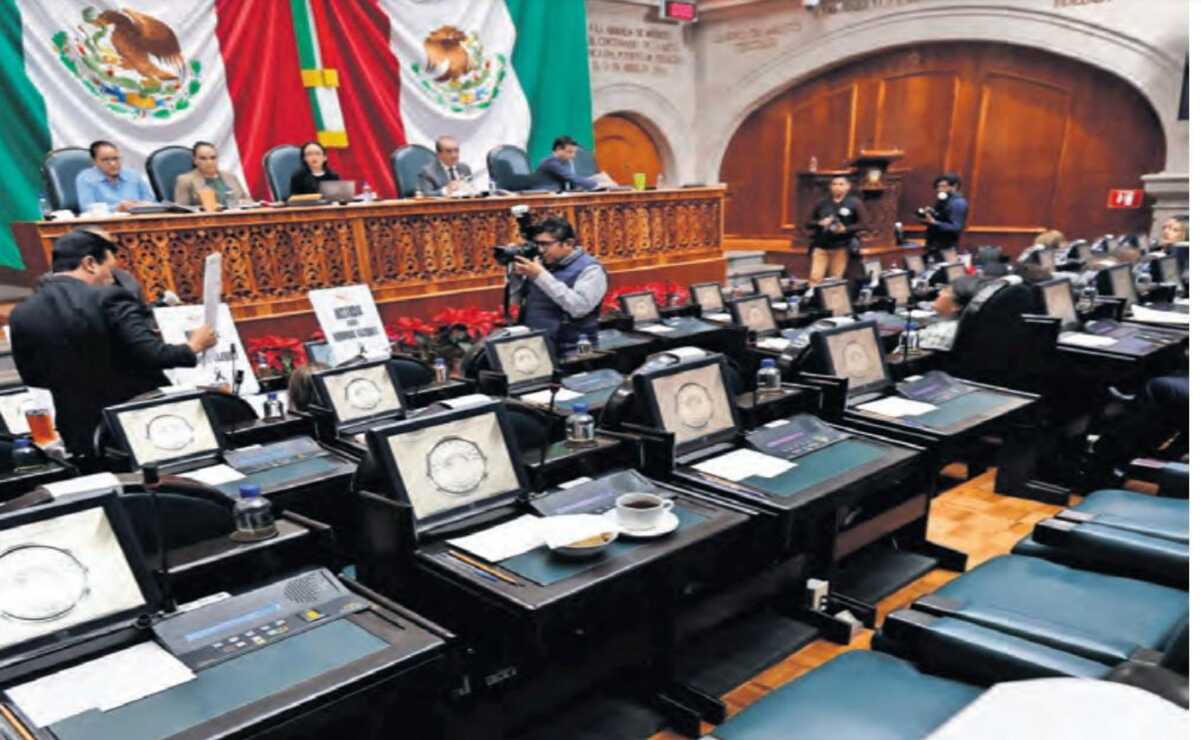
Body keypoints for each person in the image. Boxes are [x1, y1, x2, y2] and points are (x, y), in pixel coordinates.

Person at [9, 229, 217, 461]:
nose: (110, 278)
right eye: (109, 270)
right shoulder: (109, 297)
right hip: (138, 424)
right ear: (90, 263)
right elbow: (152, 354)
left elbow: (33, 377)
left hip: (80, 430)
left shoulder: (21, 313)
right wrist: (193, 346)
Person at [511, 217, 608, 355]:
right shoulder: (539, 264)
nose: (539, 250)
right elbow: (515, 301)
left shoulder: (591, 269)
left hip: (577, 348)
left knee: (582, 372)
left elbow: (579, 308)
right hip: (538, 344)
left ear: (568, 243)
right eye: (536, 244)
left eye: (545, 244)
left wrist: (540, 276)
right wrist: (515, 274)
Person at [807, 175, 866, 282]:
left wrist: (846, 229)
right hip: (821, 246)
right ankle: (813, 297)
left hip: (841, 247)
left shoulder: (854, 203)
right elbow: (808, 222)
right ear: (830, 187)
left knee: (835, 280)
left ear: (848, 187)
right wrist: (820, 223)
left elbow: (864, 224)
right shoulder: (822, 202)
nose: (837, 187)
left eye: (841, 184)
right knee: (815, 277)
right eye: (834, 184)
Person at [75, 140, 155, 213]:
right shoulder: (86, 178)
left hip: (138, 221)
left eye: (115, 159)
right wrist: (117, 208)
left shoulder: (133, 175)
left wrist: (142, 205)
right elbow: (87, 209)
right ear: (94, 161)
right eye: (105, 160)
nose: (112, 164)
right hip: (105, 224)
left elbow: (151, 201)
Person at [915, 275, 984, 352]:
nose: (940, 292)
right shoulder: (972, 325)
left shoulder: (944, 333)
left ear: (956, 306)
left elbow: (907, 347)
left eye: (946, 291)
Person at [174, 141, 249, 207]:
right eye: (203, 158)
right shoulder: (185, 180)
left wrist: (245, 203)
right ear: (195, 160)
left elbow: (247, 200)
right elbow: (181, 210)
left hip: (236, 218)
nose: (209, 162)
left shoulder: (230, 177)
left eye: (213, 158)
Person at [530, 135, 616, 192]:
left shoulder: (565, 161)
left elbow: (573, 181)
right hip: (546, 196)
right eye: (570, 152)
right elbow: (571, 177)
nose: (573, 156)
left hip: (559, 194)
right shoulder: (550, 162)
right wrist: (598, 184)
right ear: (559, 149)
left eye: (574, 152)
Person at [920, 172, 969, 257]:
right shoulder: (944, 200)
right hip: (934, 243)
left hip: (946, 247)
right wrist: (932, 213)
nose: (939, 189)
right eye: (938, 186)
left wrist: (934, 222)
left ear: (954, 186)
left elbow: (956, 227)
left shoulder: (958, 203)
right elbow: (942, 216)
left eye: (943, 186)